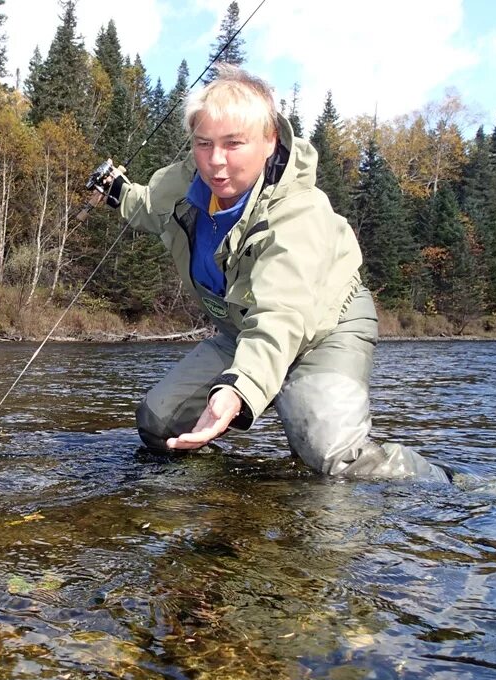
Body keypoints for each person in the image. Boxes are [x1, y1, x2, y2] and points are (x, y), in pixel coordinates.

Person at [93, 64, 448, 482]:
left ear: (269, 142)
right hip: (240, 330)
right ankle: (229, 490)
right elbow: (149, 207)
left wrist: (237, 388)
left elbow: (281, 316)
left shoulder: (299, 212)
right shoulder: (184, 183)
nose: (216, 162)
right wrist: (116, 190)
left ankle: (449, 484)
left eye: (233, 144)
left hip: (324, 329)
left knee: (333, 458)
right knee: (159, 425)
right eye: (203, 143)